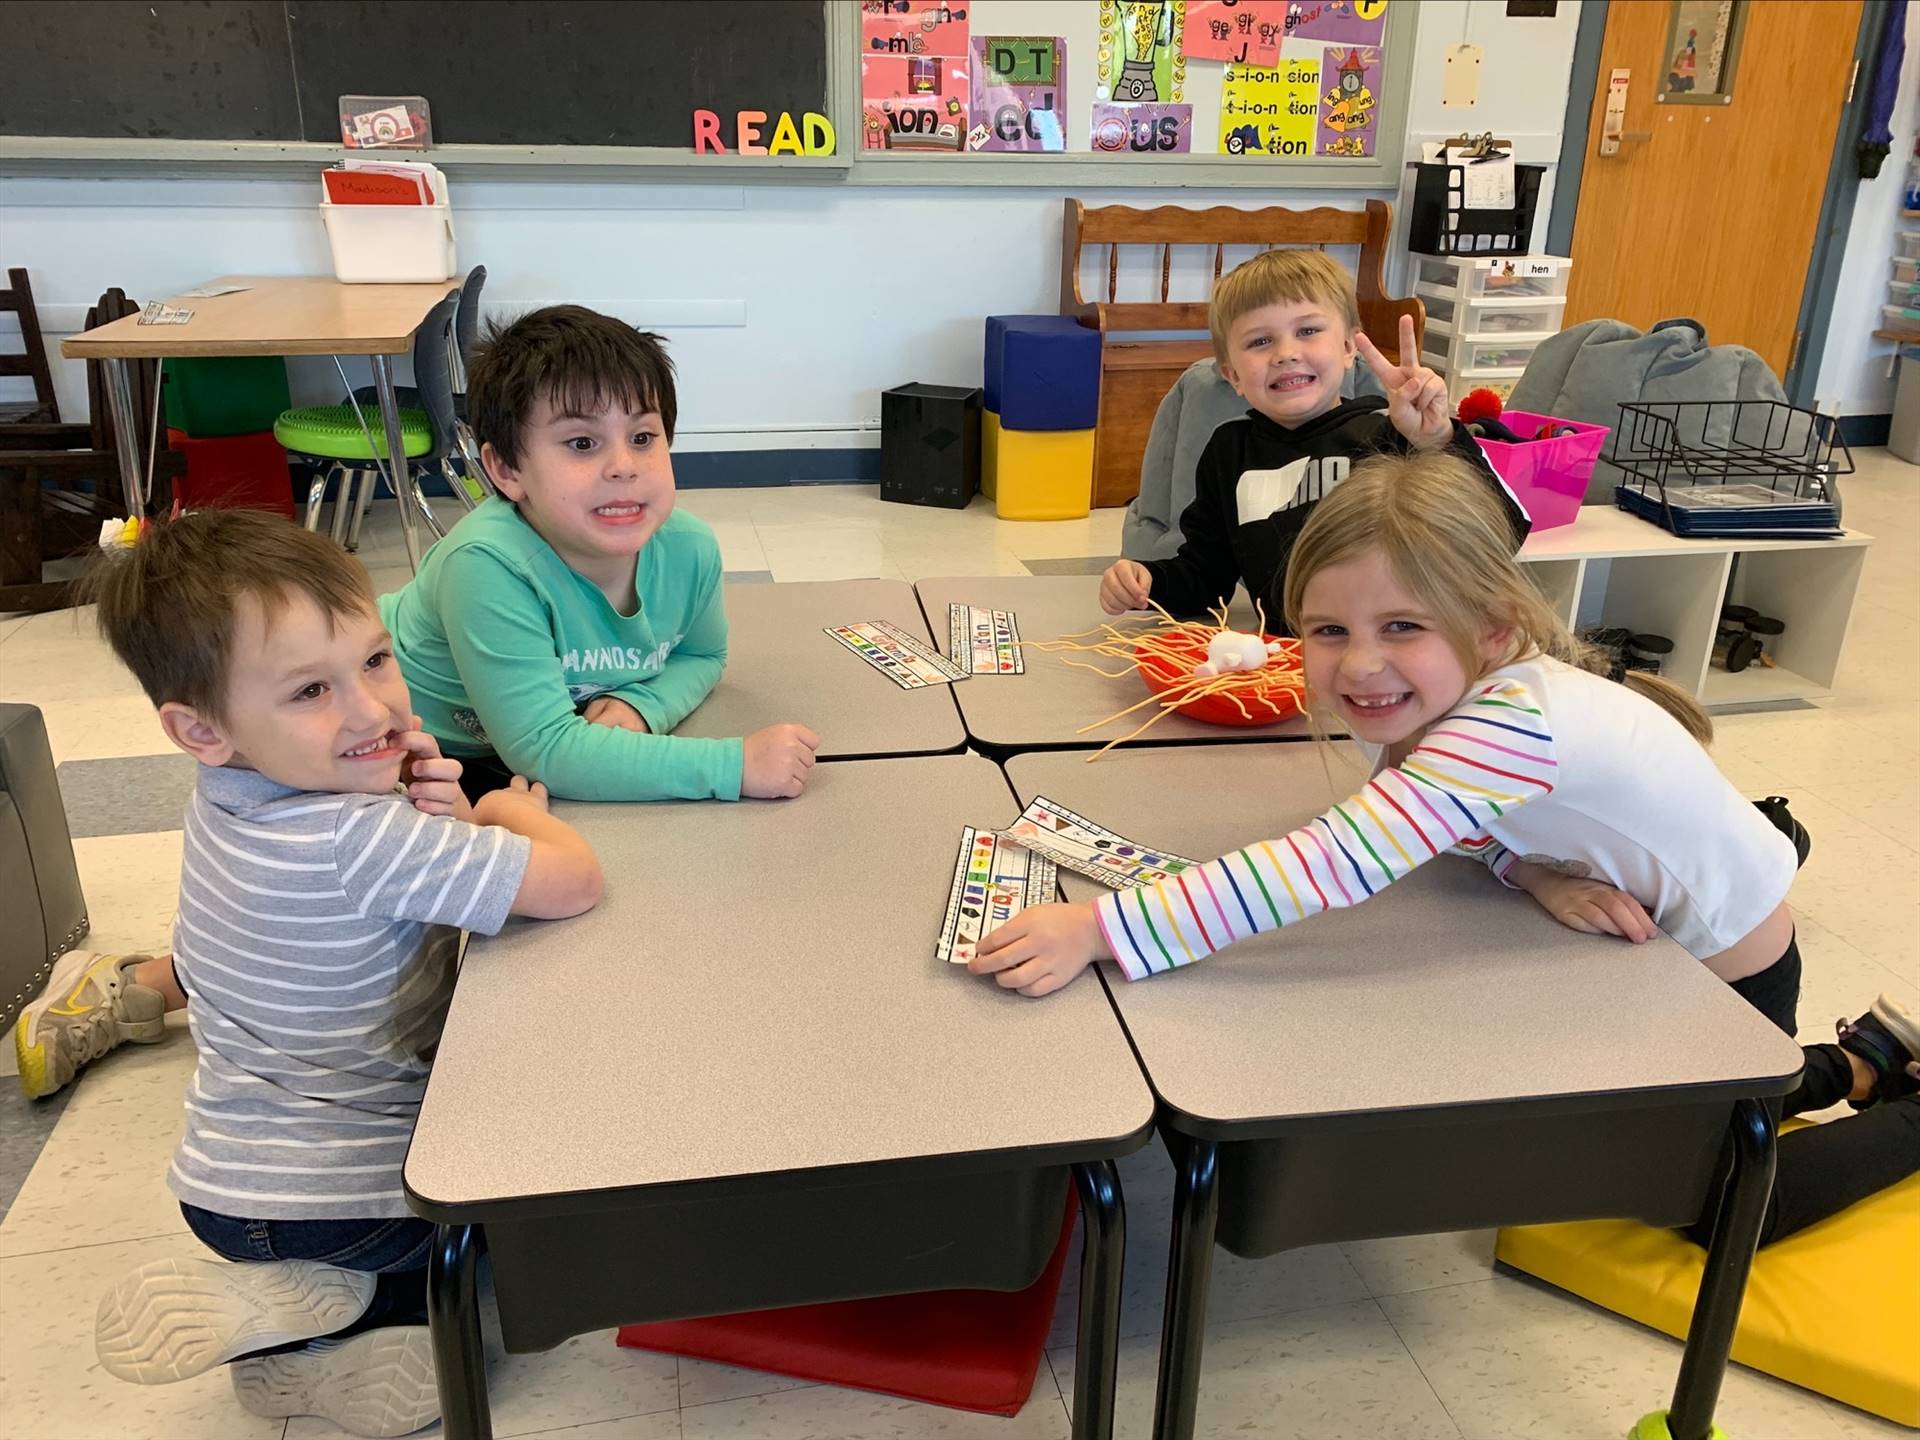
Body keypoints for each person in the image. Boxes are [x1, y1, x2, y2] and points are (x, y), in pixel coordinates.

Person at [981, 451, 1919, 1247]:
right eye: (1328, 630)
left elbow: (1324, 864)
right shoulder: (1408, 700)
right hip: (1649, 949)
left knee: (1712, 1205)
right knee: (1638, 1135)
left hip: (1727, 970)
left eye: (1402, 628)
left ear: (1494, 629)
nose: (1357, 663)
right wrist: (1529, 871)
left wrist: (1102, 928)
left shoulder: (1508, 722)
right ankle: (1859, 1063)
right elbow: (1460, 821)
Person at [66, 510, 603, 1437]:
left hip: (225, 1184)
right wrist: (502, 815)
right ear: (202, 728)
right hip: (353, 1200)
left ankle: (284, 1336)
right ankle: (356, 1305)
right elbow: (575, 883)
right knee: (514, 1236)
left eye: (376, 660)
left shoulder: (229, 800)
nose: (372, 710)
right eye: (311, 690)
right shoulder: (364, 838)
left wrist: (430, 821)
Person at [382, 304, 819, 804]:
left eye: (642, 437)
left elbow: (703, 654)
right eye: (583, 442)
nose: (623, 466)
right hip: (411, 750)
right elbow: (545, 751)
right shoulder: (485, 565)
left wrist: (642, 703)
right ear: (506, 469)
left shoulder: (689, 547)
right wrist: (734, 765)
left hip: (528, 742)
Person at [1098, 248, 1529, 625]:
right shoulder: (1228, 452)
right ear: (1232, 375)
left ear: (1348, 349)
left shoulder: (1390, 436)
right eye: (1260, 341)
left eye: (1307, 331)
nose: (1286, 353)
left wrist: (1438, 439)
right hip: (1289, 666)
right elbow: (1207, 578)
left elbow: (1502, 534)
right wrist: (1149, 581)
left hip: (1394, 659)